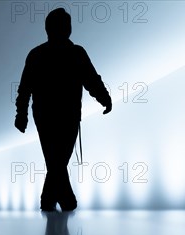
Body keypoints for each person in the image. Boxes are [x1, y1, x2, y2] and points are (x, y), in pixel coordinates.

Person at [15, 8, 112, 212]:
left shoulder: (40, 54)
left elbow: (91, 80)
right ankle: (63, 201)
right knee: (57, 160)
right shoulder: (72, 53)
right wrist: (104, 98)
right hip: (61, 115)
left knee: (55, 159)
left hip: (49, 115)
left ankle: (51, 200)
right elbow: (91, 80)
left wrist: (21, 114)